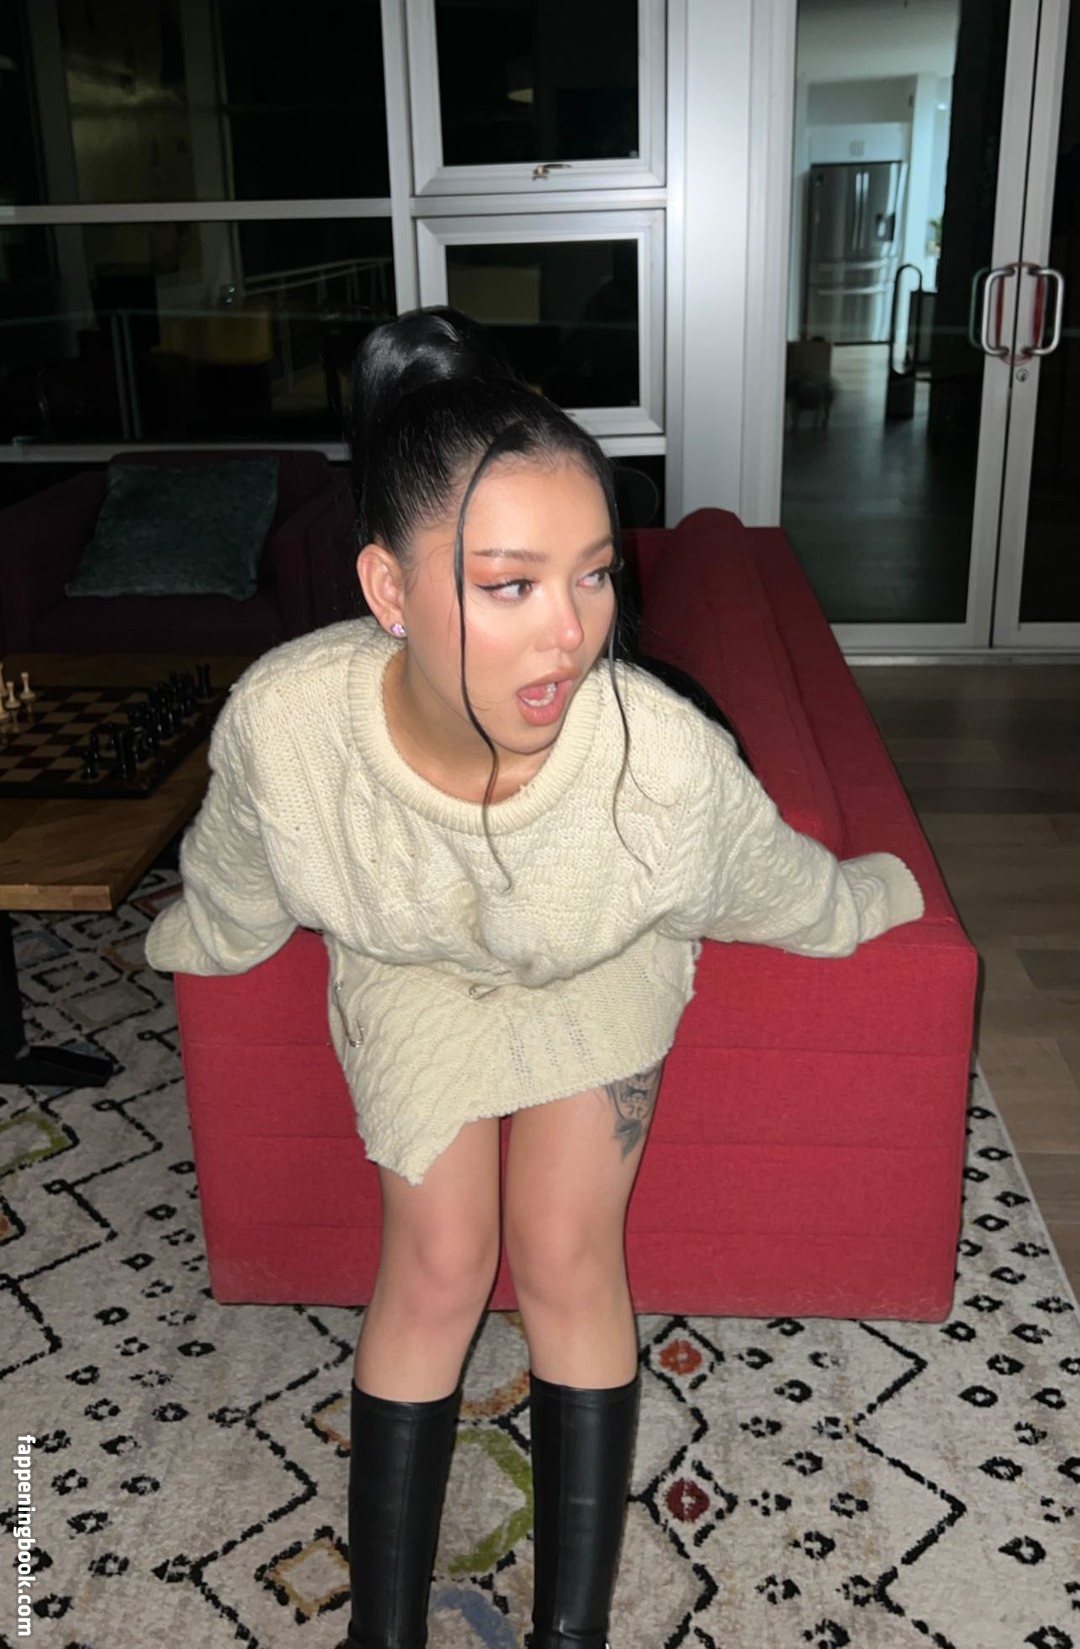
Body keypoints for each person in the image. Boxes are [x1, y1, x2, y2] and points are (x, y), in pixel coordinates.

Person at [145, 308, 925, 1649]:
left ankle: (573, 1634)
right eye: (510, 585)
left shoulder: (657, 762)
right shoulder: (289, 720)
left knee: (564, 1252)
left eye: (595, 575)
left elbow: (771, 882)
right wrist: (192, 942)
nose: (570, 632)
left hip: (596, 959)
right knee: (438, 1261)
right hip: (412, 969)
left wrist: (873, 898)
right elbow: (234, 874)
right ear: (388, 590)